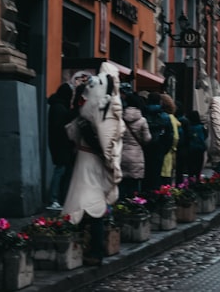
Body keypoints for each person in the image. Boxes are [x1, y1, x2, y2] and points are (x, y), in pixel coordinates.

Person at [63, 63, 123, 267]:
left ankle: (91, 251)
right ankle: (89, 249)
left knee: (88, 206)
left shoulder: (96, 111)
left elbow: (73, 134)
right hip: (94, 162)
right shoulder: (109, 107)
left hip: (87, 162)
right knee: (90, 206)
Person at [46, 82, 75, 210]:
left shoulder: (57, 106)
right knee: (60, 171)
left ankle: (57, 198)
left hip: (59, 145)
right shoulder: (59, 108)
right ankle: (53, 199)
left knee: (62, 170)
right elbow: (59, 128)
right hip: (61, 145)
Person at [119, 89, 151, 198]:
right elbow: (147, 139)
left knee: (122, 182)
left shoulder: (120, 118)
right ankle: (134, 206)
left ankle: (122, 206)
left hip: (122, 153)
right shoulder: (142, 120)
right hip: (137, 155)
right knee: (135, 184)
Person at [142, 92, 172, 191]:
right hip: (159, 148)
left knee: (146, 175)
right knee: (156, 174)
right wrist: (164, 149)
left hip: (145, 147)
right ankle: (155, 197)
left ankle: (144, 198)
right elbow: (169, 136)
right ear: (160, 102)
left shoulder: (143, 114)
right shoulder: (165, 116)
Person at [159, 93, 181, 186]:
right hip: (169, 154)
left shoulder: (168, 118)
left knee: (164, 181)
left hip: (166, 155)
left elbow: (175, 138)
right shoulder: (172, 118)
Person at [184, 110, 207, 178]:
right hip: (200, 149)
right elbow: (206, 136)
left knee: (190, 168)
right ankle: (197, 181)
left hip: (191, 149)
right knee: (198, 168)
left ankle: (190, 182)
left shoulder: (189, 127)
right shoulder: (201, 127)